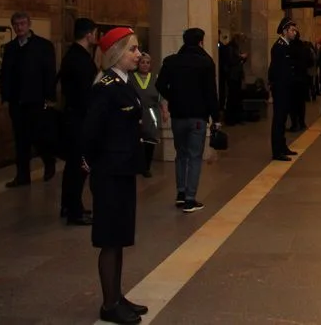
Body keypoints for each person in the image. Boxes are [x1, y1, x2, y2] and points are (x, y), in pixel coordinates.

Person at [81, 27, 148, 325]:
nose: (138, 54)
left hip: (123, 170)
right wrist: (94, 165)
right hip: (109, 173)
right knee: (110, 239)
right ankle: (109, 305)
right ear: (117, 53)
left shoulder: (124, 82)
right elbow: (90, 133)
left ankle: (117, 296)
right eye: (133, 49)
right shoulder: (105, 87)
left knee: (120, 237)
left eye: (137, 49)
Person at [156, 28, 220, 212]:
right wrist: (216, 117)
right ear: (201, 41)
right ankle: (190, 200)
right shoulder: (206, 62)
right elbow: (211, 93)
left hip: (178, 116)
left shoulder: (171, 61)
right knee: (194, 156)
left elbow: (159, 84)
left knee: (181, 154)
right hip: (198, 117)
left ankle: (181, 193)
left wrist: (173, 97)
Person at [0, 11, 58, 187]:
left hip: (36, 99)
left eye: (22, 23)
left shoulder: (43, 46)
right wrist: (6, 95)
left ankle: (49, 161)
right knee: (21, 139)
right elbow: (6, 74)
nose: (19, 27)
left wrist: (49, 97)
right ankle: (22, 175)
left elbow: (49, 72)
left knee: (39, 135)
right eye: (16, 24)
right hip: (17, 102)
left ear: (29, 24)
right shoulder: (10, 48)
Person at [58, 17, 98, 225]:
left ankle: (69, 205)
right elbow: (85, 92)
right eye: (94, 33)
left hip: (73, 115)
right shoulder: (81, 59)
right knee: (79, 166)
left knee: (73, 165)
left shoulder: (72, 55)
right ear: (89, 34)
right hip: (80, 118)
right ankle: (74, 210)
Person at [267, 17, 300, 161]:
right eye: (292, 30)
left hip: (286, 89)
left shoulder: (286, 46)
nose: (295, 33)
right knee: (279, 120)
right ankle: (277, 151)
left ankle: (283, 146)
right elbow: (276, 71)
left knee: (283, 119)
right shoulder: (279, 47)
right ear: (285, 31)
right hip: (281, 89)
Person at [130, 52, 163, 178]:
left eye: (147, 63)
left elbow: (161, 96)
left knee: (150, 141)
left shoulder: (155, 78)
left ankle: (146, 167)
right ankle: (136, 165)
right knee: (137, 140)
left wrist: (164, 111)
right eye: (142, 62)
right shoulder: (131, 78)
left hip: (151, 113)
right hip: (136, 112)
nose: (145, 65)